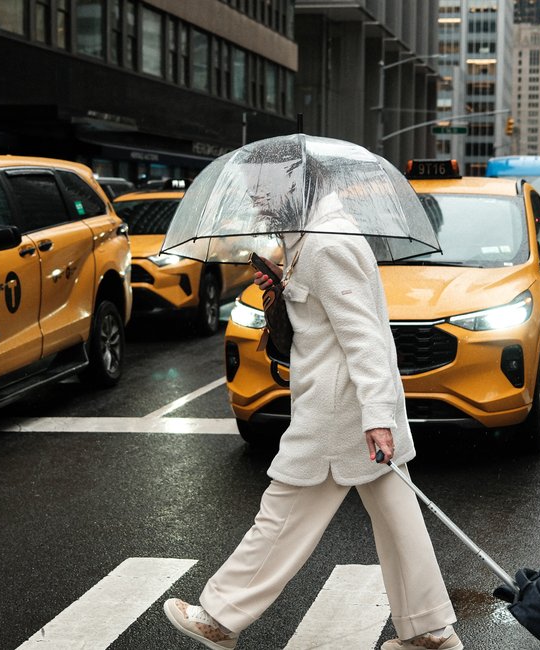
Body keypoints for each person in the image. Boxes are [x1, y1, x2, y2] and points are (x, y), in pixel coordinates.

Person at [164, 154, 461, 650]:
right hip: (347, 407)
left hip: (336, 413)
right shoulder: (309, 237)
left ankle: (220, 617)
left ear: (295, 186)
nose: (257, 200)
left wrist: (376, 418)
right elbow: (327, 316)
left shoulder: (326, 243)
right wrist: (283, 284)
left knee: (282, 515)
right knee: (398, 522)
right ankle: (429, 630)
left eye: (263, 188)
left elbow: (364, 337)